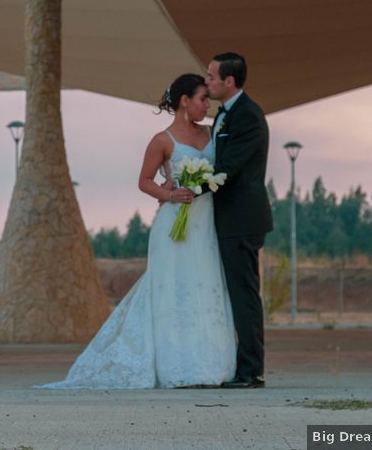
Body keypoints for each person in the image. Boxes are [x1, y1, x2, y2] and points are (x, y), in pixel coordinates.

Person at [37, 74, 236, 389]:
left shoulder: (213, 133)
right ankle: (178, 365)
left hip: (208, 222)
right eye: (202, 100)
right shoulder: (162, 140)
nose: (205, 107)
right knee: (174, 289)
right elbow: (144, 181)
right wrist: (170, 195)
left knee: (208, 288)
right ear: (185, 101)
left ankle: (212, 364)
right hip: (175, 226)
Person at [203, 52, 272, 389]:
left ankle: (251, 371)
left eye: (211, 77)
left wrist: (191, 187)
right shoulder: (225, 115)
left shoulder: (247, 116)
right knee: (236, 293)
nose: (207, 82)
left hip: (242, 219)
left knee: (244, 294)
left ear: (229, 81)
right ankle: (243, 365)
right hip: (228, 217)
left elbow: (228, 169)